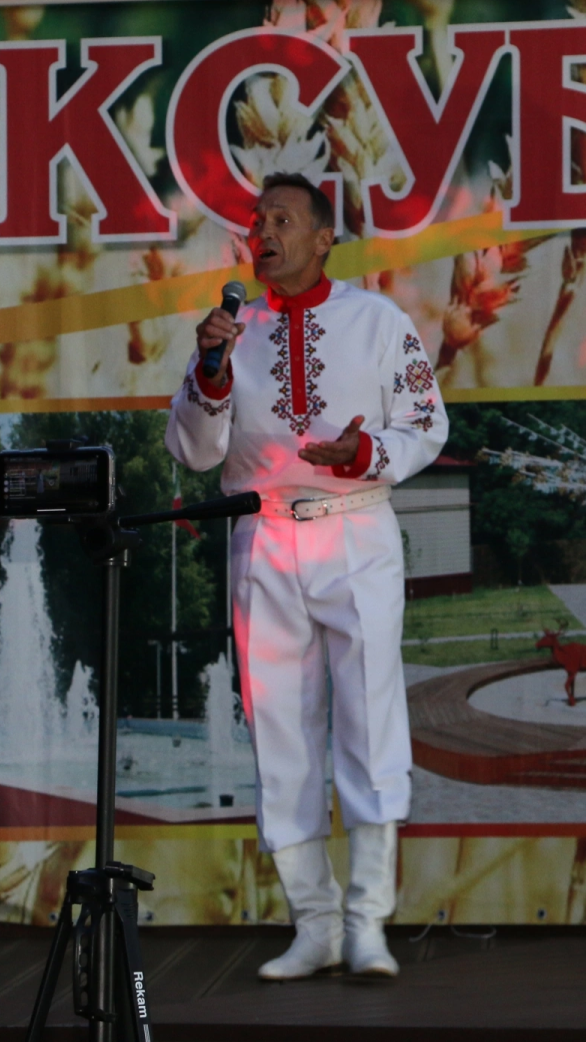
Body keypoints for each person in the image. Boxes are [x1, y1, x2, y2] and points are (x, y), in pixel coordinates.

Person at [166, 172, 448, 979]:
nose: (263, 231)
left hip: (354, 530)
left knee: (368, 725)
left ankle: (367, 924)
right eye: (258, 220)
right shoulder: (230, 329)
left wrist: (365, 455)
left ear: (325, 238)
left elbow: (427, 423)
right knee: (280, 736)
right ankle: (313, 923)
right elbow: (191, 450)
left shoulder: (375, 320)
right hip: (262, 539)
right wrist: (210, 372)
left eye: (282, 219)